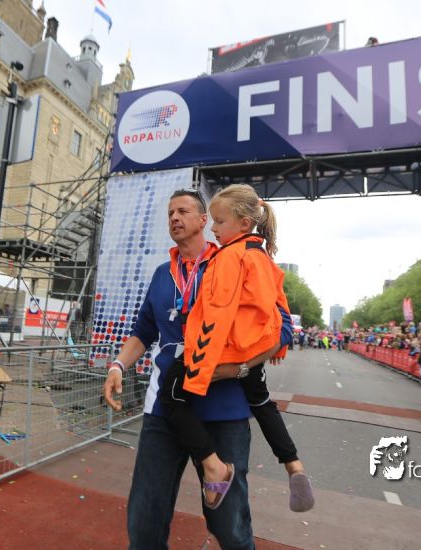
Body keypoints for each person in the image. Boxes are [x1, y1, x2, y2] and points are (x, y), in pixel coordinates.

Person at [102, 188, 287, 549]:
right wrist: (118, 366)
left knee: (229, 523)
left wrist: (236, 369)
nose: (174, 217)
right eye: (170, 212)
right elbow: (143, 332)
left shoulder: (237, 260)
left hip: (223, 410)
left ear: (205, 220)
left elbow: (281, 329)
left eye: (183, 211)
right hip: (166, 408)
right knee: (144, 519)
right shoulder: (162, 274)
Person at [158, 183, 313, 514]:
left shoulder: (229, 256)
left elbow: (217, 310)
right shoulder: (263, 256)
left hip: (226, 349)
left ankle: (213, 466)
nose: (214, 229)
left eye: (219, 221)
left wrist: (202, 362)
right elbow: (279, 308)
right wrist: (266, 351)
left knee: (170, 395)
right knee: (262, 402)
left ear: (243, 223)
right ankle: (293, 464)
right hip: (253, 350)